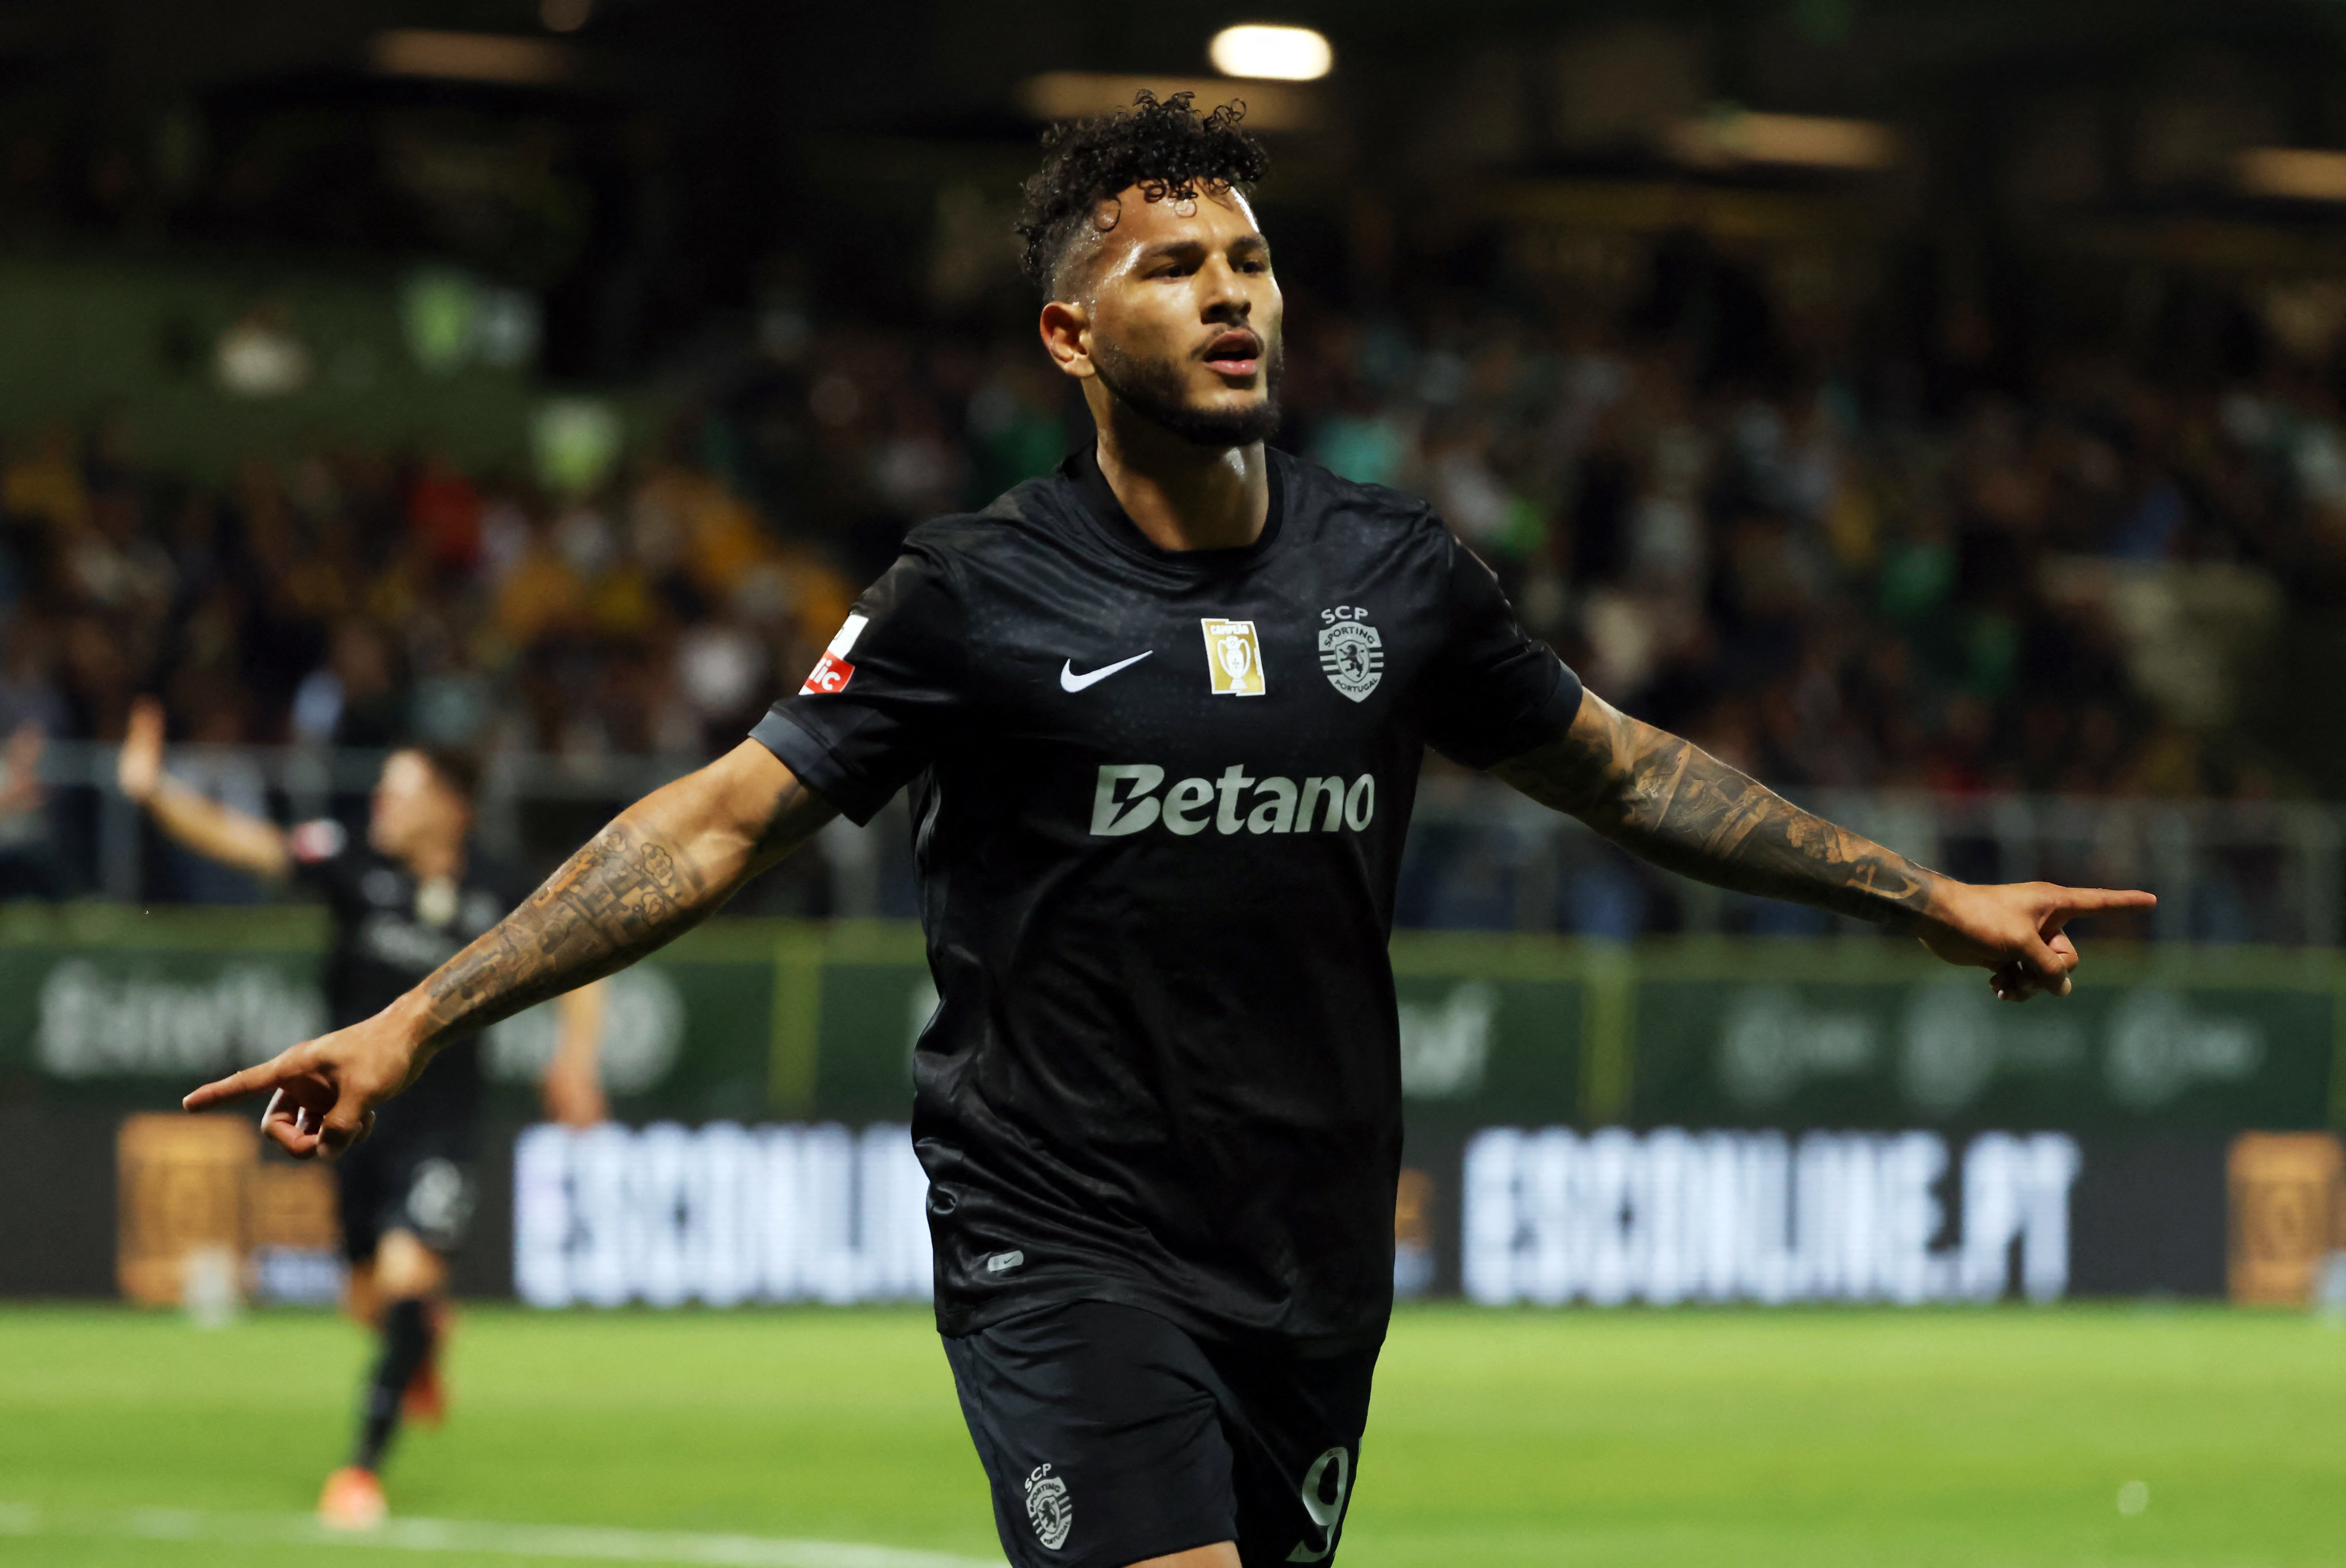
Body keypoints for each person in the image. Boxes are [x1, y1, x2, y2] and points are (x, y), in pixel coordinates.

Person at [185, 94, 2153, 1568]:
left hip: (1305, 1243)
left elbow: (1630, 769)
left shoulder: (1400, 573)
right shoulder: (972, 588)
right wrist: (420, 1015)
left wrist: (1923, 895)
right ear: (1067, 335)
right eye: (1173, 267)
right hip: (1059, 1226)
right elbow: (710, 827)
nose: (1233, 296)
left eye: (1251, 261)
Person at [118, 695, 609, 1529]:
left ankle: (359, 1473)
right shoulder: (354, 865)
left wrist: (576, 1061)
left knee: (409, 1276)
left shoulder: (495, 889)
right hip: (354, 1131)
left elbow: (587, 955)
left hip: (443, 1131)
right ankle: (416, 1341)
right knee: (367, 1299)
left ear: (449, 808)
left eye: (398, 792)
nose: (380, 806)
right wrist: (153, 790)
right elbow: (249, 845)